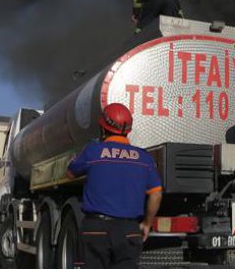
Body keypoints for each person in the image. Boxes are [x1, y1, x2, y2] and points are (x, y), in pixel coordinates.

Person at [66, 103, 163, 269]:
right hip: (129, 230)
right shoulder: (144, 158)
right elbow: (156, 194)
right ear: (128, 130)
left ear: (103, 129)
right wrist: (147, 223)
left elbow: (70, 173)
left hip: (96, 229)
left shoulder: (93, 151)